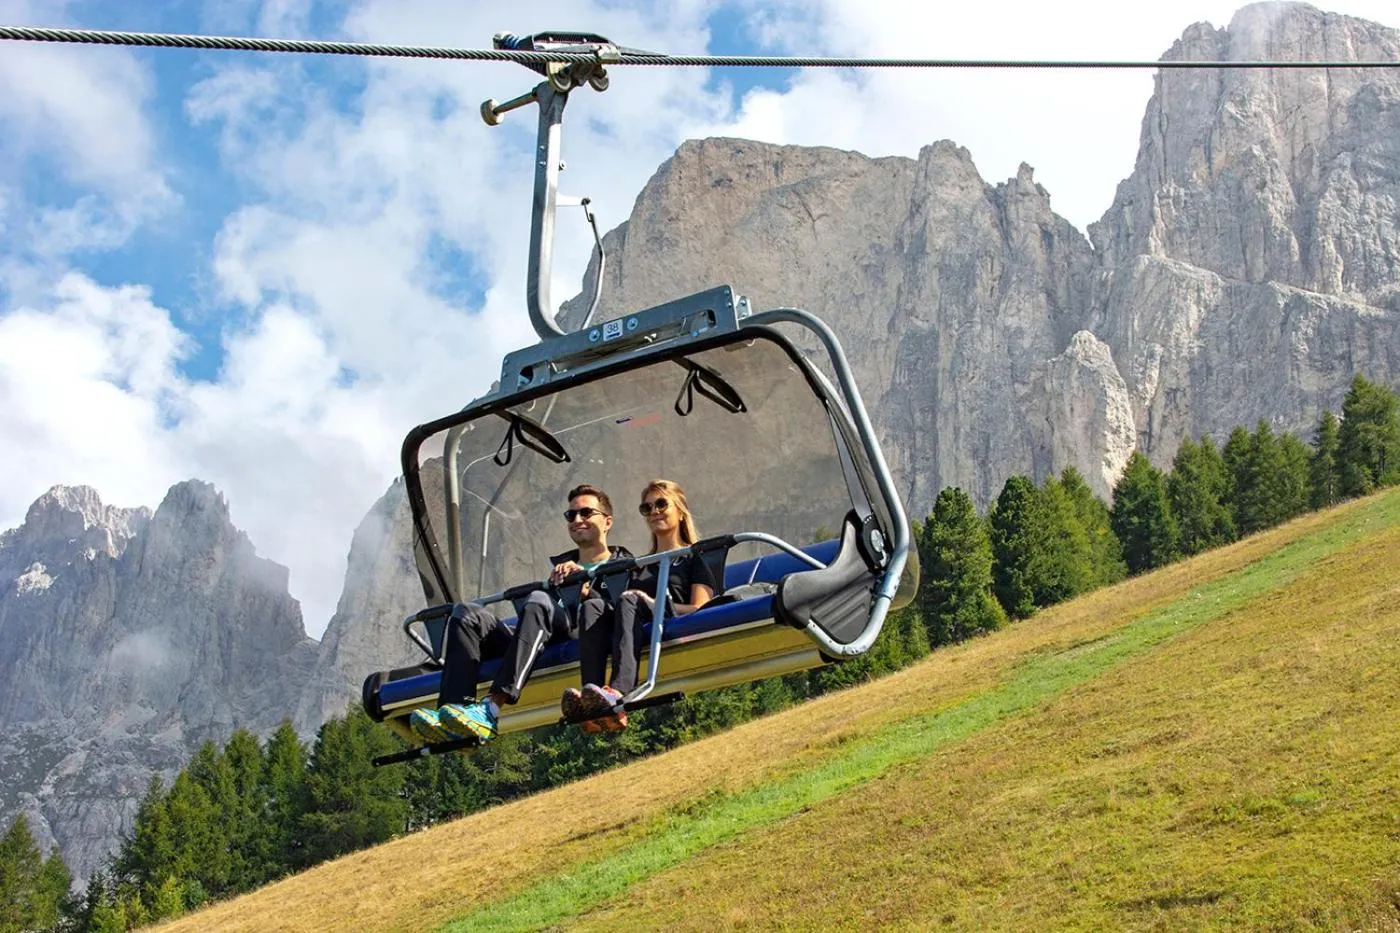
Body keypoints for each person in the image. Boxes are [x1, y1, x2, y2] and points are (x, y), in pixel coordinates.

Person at [410, 484, 632, 744]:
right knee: (466, 613)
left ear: (607, 522)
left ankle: (492, 707)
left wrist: (586, 592)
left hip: (578, 633)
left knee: (538, 600)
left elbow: (626, 616)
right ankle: (453, 713)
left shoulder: (622, 567)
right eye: (571, 515)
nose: (577, 520)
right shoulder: (560, 570)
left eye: (586, 513)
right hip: (536, 631)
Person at [567, 479, 716, 731]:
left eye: (660, 504)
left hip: (671, 616)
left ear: (680, 512)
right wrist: (586, 593)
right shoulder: (640, 565)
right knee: (594, 606)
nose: (654, 511)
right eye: (646, 508)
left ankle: (619, 690)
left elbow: (701, 607)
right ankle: (592, 698)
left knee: (629, 598)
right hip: (638, 620)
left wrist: (652, 602)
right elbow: (618, 609)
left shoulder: (693, 558)